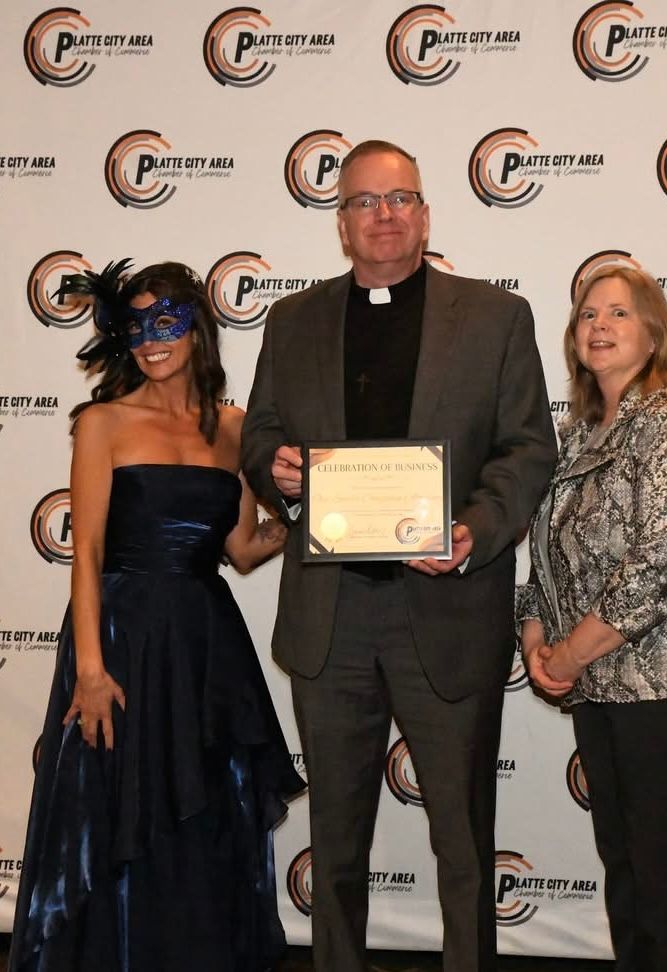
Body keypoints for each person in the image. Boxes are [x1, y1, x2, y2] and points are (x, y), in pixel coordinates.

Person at [240, 139, 557, 972]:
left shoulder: (494, 317)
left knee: (462, 839)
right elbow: (262, 434)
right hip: (330, 619)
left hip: (447, 608)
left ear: (424, 214)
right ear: (340, 224)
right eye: (363, 203)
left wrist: (476, 531)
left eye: (399, 199)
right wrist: (277, 475)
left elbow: (527, 450)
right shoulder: (291, 319)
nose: (383, 216)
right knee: (336, 842)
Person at [9, 261, 306, 972]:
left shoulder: (233, 428)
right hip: (121, 640)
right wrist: (89, 669)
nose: (150, 340)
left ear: (197, 325)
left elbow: (240, 547)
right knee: (117, 813)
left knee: (201, 811)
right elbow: (85, 556)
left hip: (204, 642)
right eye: (134, 326)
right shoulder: (103, 422)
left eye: (165, 321)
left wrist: (314, 515)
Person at [519, 266, 667, 970]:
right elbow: (548, 555)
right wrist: (531, 632)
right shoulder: (577, 434)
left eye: (618, 313)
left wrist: (569, 653)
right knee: (625, 873)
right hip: (602, 689)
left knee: (665, 882)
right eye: (587, 314)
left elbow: (659, 565)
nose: (599, 325)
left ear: (653, 335)